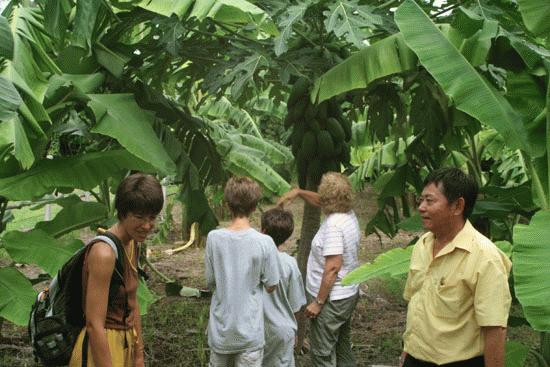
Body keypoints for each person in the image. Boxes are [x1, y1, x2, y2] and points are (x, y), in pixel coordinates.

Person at [400, 168, 512, 367]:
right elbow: (416, 304)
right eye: (421, 199)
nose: (421, 207)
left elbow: (495, 329)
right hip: (415, 359)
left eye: (430, 200)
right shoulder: (423, 245)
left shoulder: (485, 257)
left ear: (457, 206)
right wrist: (407, 352)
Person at [69, 173, 164, 367]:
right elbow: (94, 325)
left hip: (125, 342)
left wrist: (138, 356)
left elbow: (132, 302)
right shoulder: (104, 253)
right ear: (122, 214)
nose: (147, 226)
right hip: (101, 348)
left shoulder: (132, 243)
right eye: (139, 217)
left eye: (152, 218)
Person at [278, 172, 361, 367]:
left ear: (328, 198)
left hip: (331, 300)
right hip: (347, 294)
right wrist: (298, 192)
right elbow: (322, 201)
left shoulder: (333, 226)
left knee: (322, 353)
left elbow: (332, 268)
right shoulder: (347, 214)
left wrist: (318, 302)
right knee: (341, 346)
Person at [205, 176, 280, 367]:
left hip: (221, 331)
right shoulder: (265, 242)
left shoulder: (214, 239)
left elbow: (210, 281)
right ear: (255, 207)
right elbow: (272, 285)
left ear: (228, 205)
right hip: (250, 332)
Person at [261, 208, 307, 367]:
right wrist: (294, 332)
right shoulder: (290, 264)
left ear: (263, 231)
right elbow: (295, 305)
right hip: (282, 331)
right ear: (287, 237)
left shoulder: (253, 259)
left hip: (255, 328)